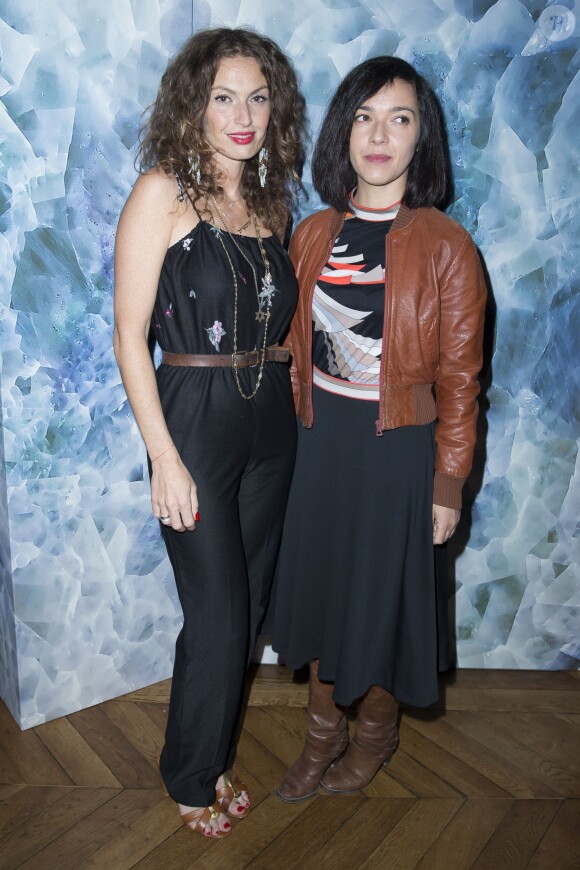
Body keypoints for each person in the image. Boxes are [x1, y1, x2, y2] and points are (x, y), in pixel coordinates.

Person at [272, 56, 486, 802]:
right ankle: (317, 741)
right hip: (319, 445)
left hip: (398, 451)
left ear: (421, 138)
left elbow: (461, 382)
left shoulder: (447, 247)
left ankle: (374, 738)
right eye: (364, 115)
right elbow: (292, 350)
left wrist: (448, 484)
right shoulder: (312, 234)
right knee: (329, 596)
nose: (379, 134)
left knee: (385, 608)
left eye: (400, 118)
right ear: (345, 131)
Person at [114, 27, 304, 837]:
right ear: (193, 103)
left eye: (258, 97)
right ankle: (192, 776)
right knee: (222, 616)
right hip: (193, 419)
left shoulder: (270, 201)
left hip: (270, 425)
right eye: (224, 96)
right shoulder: (160, 192)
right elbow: (128, 336)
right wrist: (164, 454)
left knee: (245, 610)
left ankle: (212, 755)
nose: (243, 114)